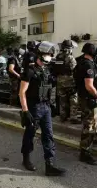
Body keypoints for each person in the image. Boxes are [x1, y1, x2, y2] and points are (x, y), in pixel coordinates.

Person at [19, 41, 66, 176]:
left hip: (45, 107)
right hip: (33, 107)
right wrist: (25, 110)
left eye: (51, 55)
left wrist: (52, 104)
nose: (50, 56)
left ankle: (49, 165)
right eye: (48, 54)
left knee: (49, 135)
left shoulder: (47, 70)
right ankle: (26, 159)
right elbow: (22, 92)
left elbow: (51, 87)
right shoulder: (30, 71)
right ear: (40, 55)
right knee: (30, 134)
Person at [74, 42, 97, 165]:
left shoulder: (81, 62)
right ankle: (84, 152)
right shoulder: (88, 65)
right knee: (90, 125)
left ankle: (91, 140)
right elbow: (89, 86)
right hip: (89, 98)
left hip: (85, 97)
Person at [53, 39, 80, 124]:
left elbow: (55, 69)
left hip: (60, 81)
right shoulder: (70, 58)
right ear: (69, 48)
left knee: (62, 99)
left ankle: (62, 117)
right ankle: (73, 117)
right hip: (69, 81)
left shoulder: (58, 56)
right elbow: (74, 70)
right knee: (73, 99)